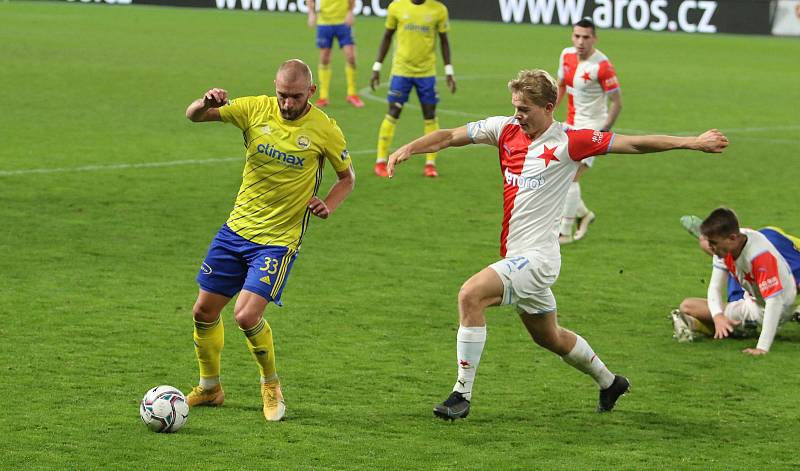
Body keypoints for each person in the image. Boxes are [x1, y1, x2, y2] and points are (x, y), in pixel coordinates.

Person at [386, 69, 728, 420]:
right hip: (517, 256)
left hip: (539, 259)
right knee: (550, 337)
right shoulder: (504, 129)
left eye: (525, 109)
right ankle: (610, 383)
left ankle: (461, 394)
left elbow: (635, 143)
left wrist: (692, 141)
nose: (517, 115)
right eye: (515, 106)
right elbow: (449, 136)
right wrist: (410, 148)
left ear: (549, 107)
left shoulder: (571, 141)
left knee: (470, 295)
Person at [183, 59, 355, 421]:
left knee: (246, 315)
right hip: (235, 231)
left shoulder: (324, 129)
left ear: (312, 92)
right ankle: (210, 387)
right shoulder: (255, 109)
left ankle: (271, 384)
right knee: (203, 311)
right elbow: (193, 116)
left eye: (295, 97)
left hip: (278, 240)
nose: (288, 104)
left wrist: (329, 204)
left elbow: (347, 178)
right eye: (282, 95)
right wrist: (205, 103)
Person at [670, 209, 800, 354]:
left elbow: (774, 302)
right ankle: (705, 325)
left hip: (774, 309)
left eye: (713, 243)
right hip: (753, 301)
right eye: (709, 243)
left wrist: (761, 348)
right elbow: (715, 287)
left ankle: (743, 327)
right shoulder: (728, 245)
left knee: (694, 308)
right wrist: (718, 316)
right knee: (687, 305)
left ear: (732, 238)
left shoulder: (759, 255)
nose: (711, 248)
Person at [555, 18, 622, 244]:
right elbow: (561, 84)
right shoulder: (566, 55)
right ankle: (584, 215)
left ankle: (564, 232)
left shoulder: (602, 65)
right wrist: (549, 112)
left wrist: (603, 131)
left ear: (594, 38)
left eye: (586, 37)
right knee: (559, 174)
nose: (580, 41)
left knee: (571, 176)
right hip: (570, 124)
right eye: (577, 36)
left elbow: (617, 102)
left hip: (593, 128)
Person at [370, 0, 455, 178]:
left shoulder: (439, 10)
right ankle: (380, 161)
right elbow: (387, 36)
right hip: (401, 71)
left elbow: (444, 41)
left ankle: (430, 164)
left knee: (430, 115)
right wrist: (377, 67)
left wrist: (448, 71)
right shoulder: (396, 7)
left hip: (427, 73)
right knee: (393, 112)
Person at [306, 0, 364, 108]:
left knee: (351, 57)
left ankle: (352, 94)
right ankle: (323, 96)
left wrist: (350, 12)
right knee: (324, 58)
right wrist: (311, 13)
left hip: (343, 22)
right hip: (324, 22)